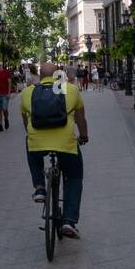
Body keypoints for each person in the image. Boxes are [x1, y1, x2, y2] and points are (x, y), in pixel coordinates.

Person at [21, 62, 89, 239]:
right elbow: (81, 119)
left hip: (38, 143)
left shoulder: (28, 92)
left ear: (40, 75)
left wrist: (33, 135)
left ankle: (40, 187)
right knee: (74, 177)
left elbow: (25, 121)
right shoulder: (70, 89)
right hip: (66, 145)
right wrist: (83, 136)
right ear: (60, 74)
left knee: (30, 144)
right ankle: (69, 221)